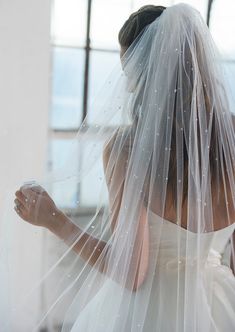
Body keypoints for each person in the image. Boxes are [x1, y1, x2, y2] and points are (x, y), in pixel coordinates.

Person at [13, 3, 235, 331]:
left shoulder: (127, 150)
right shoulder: (231, 138)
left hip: (146, 314)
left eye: (128, 71)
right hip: (220, 307)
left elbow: (131, 273)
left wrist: (53, 220)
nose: (127, 86)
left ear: (145, 73)